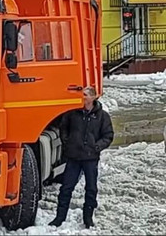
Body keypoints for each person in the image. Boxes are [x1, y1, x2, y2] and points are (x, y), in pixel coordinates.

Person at [50, 86, 114, 229]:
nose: (82, 97)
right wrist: (68, 143)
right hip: (74, 157)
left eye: (85, 95)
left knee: (91, 189)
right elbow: (63, 128)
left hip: (90, 158)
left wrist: (96, 147)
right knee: (66, 188)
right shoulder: (72, 113)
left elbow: (108, 135)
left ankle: (88, 218)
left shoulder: (102, 116)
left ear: (93, 97)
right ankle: (59, 218)